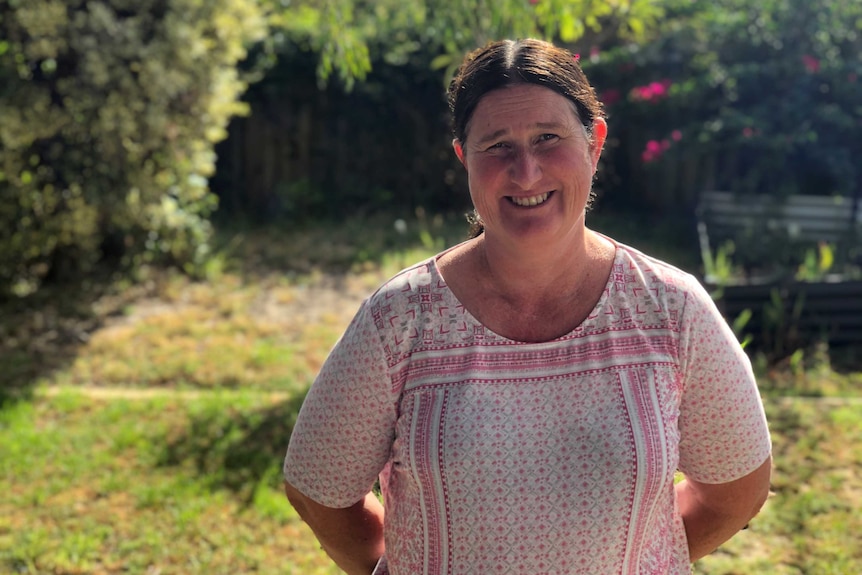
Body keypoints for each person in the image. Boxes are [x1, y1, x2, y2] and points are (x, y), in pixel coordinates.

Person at [283, 38, 772, 575]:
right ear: (463, 158)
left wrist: (641, 558)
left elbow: (736, 490)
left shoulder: (671, 311)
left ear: (595, 143)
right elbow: (318, 491)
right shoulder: (400, 320)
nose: (526, 171)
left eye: (547, 138)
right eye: (497, 146)